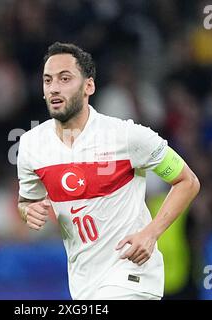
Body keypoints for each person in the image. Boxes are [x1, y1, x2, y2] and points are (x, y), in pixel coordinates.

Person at [16, 42, 200, 300]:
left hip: (132, 273)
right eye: (48, 81)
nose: (54, 88)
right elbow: (27, 202)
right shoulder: (31, 145)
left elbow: (187, 181)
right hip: (83, 281)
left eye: (65, 78)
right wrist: (28, 211)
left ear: (88, 86)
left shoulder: (127, 136)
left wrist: (150, 234)